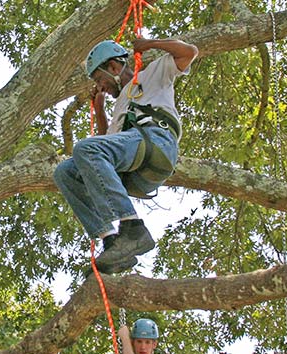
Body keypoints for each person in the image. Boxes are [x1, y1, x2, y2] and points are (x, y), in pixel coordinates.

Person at [55, 38, 198, 274]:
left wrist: (150, 44)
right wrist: (100, 109)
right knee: (65, 172)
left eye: (101, 79)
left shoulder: (152, 75)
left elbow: (189, 52)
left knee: (86, 148)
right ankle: (111, 241)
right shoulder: (118, 106)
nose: (102, 87)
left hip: (156, 142)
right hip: (133, 162)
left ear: (113, 67)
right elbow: (103, 146)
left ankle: (132, 228)